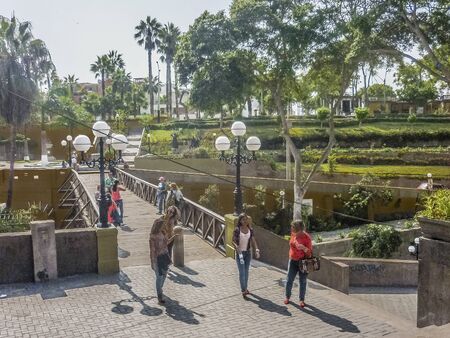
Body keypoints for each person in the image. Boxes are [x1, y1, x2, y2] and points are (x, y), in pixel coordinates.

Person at [149, 205, 180, 304]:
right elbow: (152, 250)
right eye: (161, 226)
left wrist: (174, 236)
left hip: (164, 255)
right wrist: (152, 262)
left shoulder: (163, 234)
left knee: (165, 274)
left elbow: (167, 243)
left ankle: (160, 289)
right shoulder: (152, 237)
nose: (163, 227)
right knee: (159, 276)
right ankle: (160, 295)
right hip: (157, 258)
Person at [284, 220, 313, 308]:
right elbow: (291, 243)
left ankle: (301, 300)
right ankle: (287, 297)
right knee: (289, 280)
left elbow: (310, 253)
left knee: (303, 281)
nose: (291, 229)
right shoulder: (293, 234)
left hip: (303, 262)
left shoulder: (307, 238)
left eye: (293, 227)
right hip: (292, 260)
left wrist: (304, 248)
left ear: (299, 229)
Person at [232, 213, 260, 299]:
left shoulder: (250, 230)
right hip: (240, 254)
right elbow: (233, 241)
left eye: (246, 219)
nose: (245, 221)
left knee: (246, 271)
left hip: (248, 253)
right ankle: (243, 290)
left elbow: (253, 240)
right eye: (243, 219)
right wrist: (238, 249)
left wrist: (256, 250)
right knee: (242, 273)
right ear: (240, 221)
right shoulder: (237, 230)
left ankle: (245, 288)